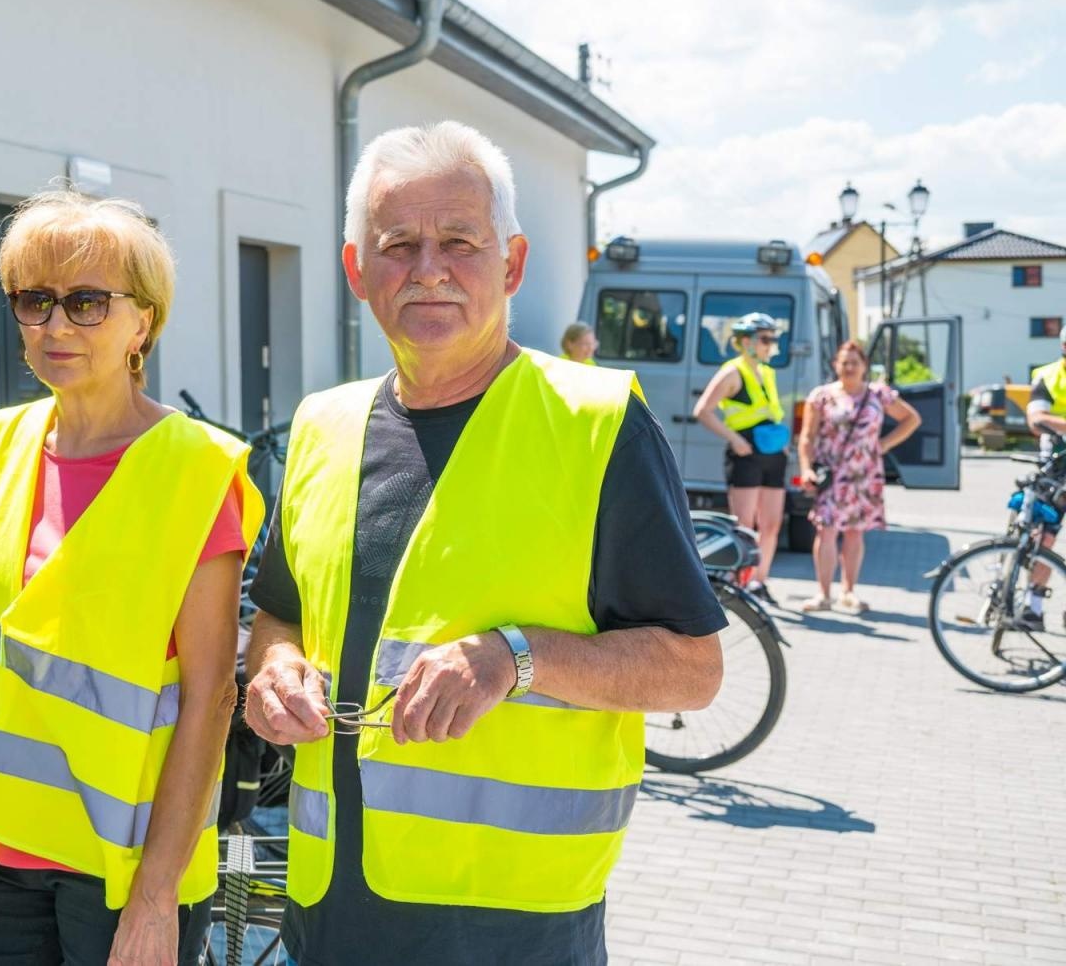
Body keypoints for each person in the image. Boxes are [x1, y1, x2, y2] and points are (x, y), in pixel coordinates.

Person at [243, 121, 725, 966]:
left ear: (512, 263)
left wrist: (515, 658)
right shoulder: (323, 427)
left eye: (460, 241)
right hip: (326, 915)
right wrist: (273, 672)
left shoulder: (597, 423)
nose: (428, 268)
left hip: (514, 929)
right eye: (399, 245)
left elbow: (694, 668)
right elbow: (277, 615)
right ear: (359, 271)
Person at [0, 190, 264, 965]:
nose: (56, 326)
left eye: (88, 302)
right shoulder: (7, 439)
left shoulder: (195, 471)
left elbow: (211, 696)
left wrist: (157, 898)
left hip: (119, 864)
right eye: (34, 300)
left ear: (145, 322)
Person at [796, 341, 921, 612]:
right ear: (835, 365)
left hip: (864, 475)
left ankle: (848, 591)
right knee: (826, 531)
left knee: (855, 533)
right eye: (844, 362)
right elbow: (807, 437)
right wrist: (806, 468)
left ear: (865, 366)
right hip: (832, 473)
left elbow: (912, 419)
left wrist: (884, 445)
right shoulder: (821, 396)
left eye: (855, 362)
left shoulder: (879, 394)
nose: (849, 367)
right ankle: (823, 593)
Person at [692, 312, 788, 602]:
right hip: (745, 452)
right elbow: (702, 410)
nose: (769, 344)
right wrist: (734, 439)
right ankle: (740, 585)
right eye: (764, 339)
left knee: (771, 523)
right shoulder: (731, 372)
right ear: (745, 341)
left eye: (772, 338)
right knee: (745, 525)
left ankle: (759, 581)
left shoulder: (767, 371)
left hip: (771, 451)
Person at [1020, 326, 1066, 627]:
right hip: (1056, 467)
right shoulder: (1049, 376)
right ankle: (1032, 607)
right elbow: (1036, 419)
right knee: (1045, 537)